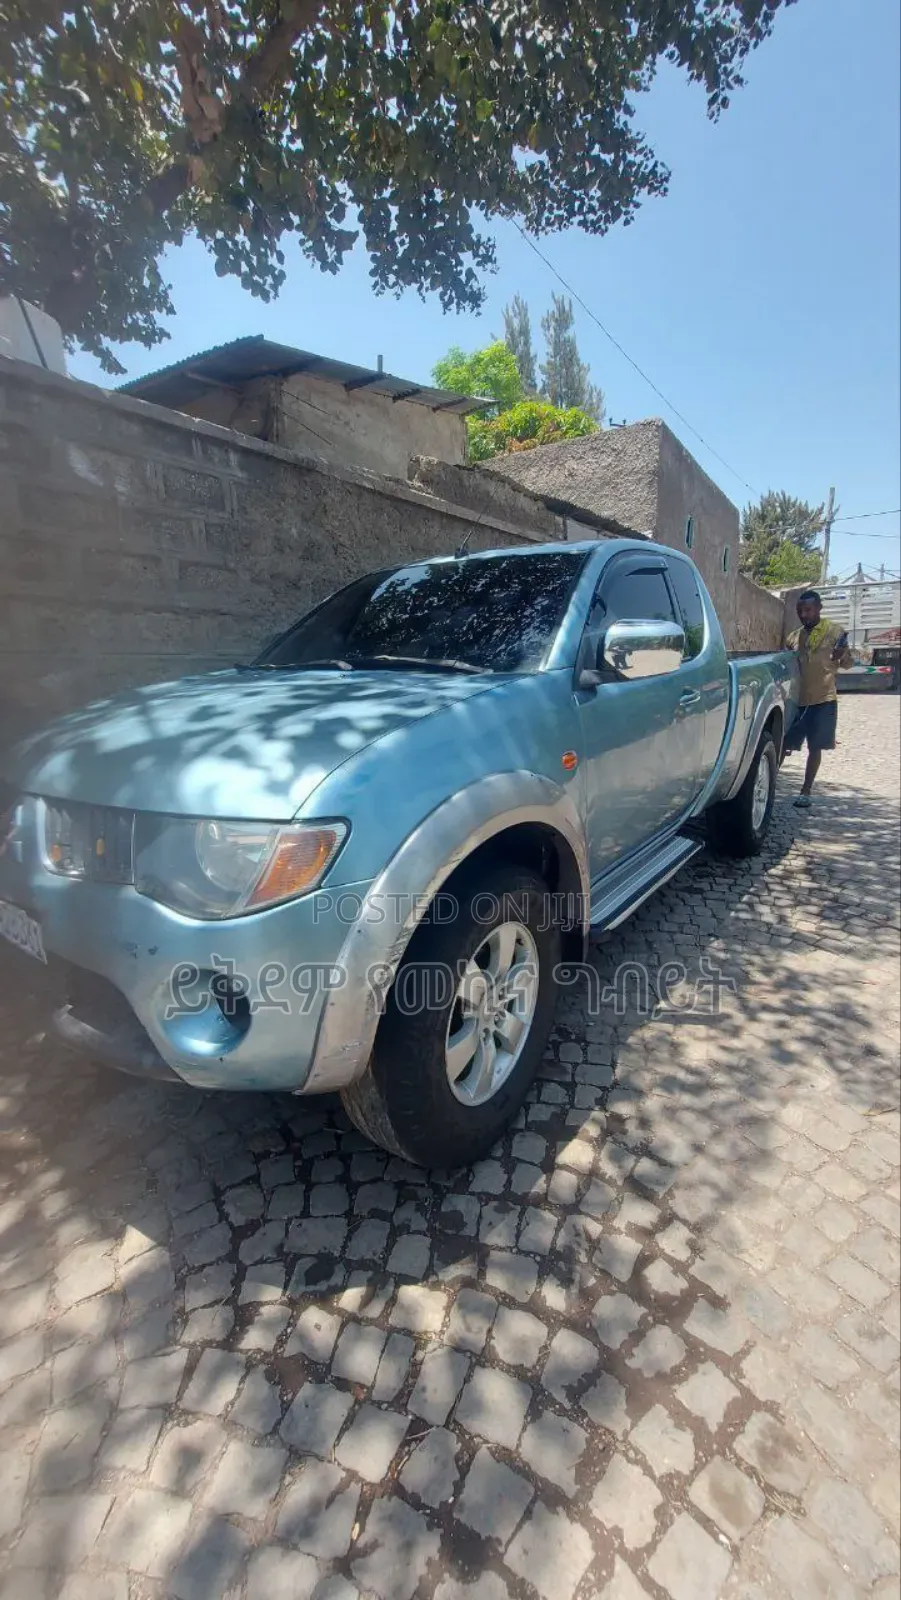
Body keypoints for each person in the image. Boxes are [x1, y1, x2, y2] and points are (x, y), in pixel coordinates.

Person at [783, 589, 852, 808]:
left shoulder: (835, 632)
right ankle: (768, 784)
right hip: (797, 700)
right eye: (800, 611)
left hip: (823, 699)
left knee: (815, 747)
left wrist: (843, 655)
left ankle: (806, 791)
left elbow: (848, 664)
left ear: (819, 608)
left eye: (808, 610)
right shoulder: (793, 637)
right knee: (784, 744)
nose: (804, 615)